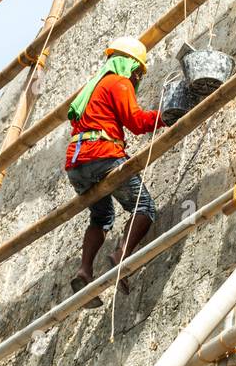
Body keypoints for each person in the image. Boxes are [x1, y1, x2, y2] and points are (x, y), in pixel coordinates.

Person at [65, 36, 165, 306]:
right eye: (137, 73)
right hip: (102, 155)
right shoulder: (118, 83)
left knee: (101, 216)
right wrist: (163, 116)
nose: (136, 79)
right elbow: (135, 121)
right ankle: (121, 256)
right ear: (130, 66)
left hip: (77, 164)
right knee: (144, 207)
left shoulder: (93, 88)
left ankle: (84, 271)